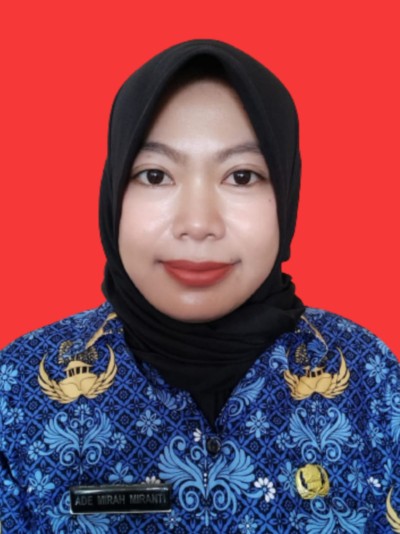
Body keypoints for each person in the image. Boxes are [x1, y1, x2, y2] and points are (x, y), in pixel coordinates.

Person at [1, 39, 399, 533]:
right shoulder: (19, 389)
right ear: (113, 192)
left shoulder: (369, 378)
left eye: (241, 176)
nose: (197, 223)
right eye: (155, 175)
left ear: (287, 192)